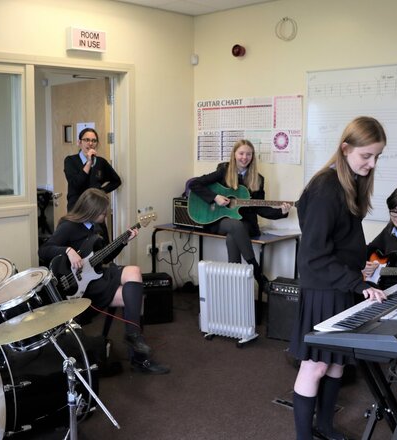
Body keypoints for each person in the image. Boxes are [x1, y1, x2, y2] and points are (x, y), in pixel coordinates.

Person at [289, 116, 388, 440]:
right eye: (366, 156)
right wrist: (358, 283)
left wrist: (363, 273)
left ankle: (325, 426)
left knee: (336, 363)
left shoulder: (349, 185)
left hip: (342, 284)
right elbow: (313, 255)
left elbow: (343, 242)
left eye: (376, 157)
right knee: (315, 366)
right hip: (323, 288)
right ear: (345, 149)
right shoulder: (325, 188)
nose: (371, 164)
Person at [39, 188, 169, 375]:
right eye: (102, 212)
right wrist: (67, 250)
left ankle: (134, 337)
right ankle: (140, 358)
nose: (105, 215)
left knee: (134, 272)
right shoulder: (68, 226)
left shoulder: (98, 226)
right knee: (134, 297)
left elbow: (104, 256)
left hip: (99, 274)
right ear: (90, 211)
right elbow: (44, 250)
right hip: (81, 286)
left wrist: (124, 241)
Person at [188, 139, 291, 292]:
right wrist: (215, 197)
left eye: (248, 154)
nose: (244, 157)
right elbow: (194, 184)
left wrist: (281, 212)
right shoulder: (223, 171)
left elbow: (260, 207)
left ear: (252, 156)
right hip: (218, 219)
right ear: (234, 154)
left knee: (233, 235)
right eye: (241, 153)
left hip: (246, 224)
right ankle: (258, 275)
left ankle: (234, 287)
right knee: (235, 226)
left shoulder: (258, 179)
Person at [64, 128, 122, 241]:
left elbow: (116, 181)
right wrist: (89, 162)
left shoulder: (101, 162)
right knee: (79, 245)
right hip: (77, 212)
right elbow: (76, 184)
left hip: (96, 212)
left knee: (102, 244)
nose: (90, 143)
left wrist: (100, 192)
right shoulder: (70, 161)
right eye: (86, 140)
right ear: (79, 142)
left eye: (94, 140)